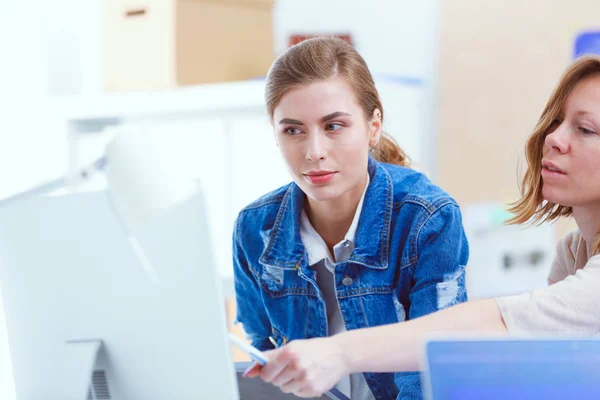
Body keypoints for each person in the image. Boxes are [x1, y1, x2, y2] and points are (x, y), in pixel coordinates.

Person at [244, 54, 600, 398]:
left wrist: (339, 352)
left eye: (585, 129)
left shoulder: (427, 215)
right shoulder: (574, 250)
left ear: (373, 126)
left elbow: (507, 324)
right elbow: (550, 366)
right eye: (557, 120)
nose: (553, 138)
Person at [232, 37, 470, 400]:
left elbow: (432, 367)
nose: (314, 152)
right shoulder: (255, 228)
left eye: (334, 126)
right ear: (275, 135)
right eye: (293, 130)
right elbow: (264, 359)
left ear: (373, 127)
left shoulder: (427, 219)